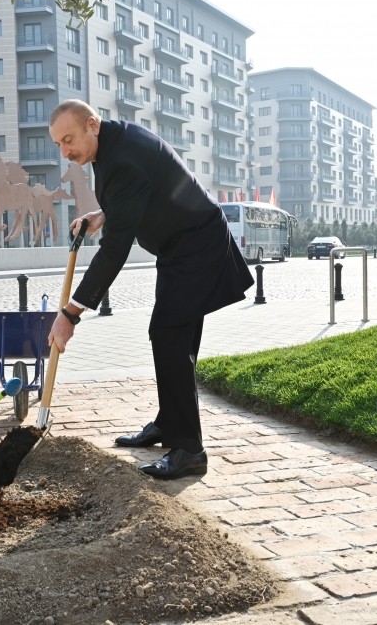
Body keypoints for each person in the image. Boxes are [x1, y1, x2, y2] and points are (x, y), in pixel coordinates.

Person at [47, 100, 254, 480]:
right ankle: (170, 423)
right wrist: (104, 214)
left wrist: (70, 314)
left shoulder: (122, 157)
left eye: (69, 139)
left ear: (92, 124)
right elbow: (142, 190)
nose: (65, 151)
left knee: (169, 335)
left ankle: (189, 450)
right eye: (59, 143)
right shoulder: (113, 143)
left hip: (196, 245)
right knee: (174, 338)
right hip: (182, 246)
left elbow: (114, 250)